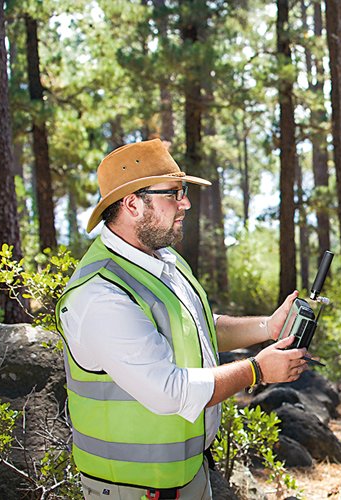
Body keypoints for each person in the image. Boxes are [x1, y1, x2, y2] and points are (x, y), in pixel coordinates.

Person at [56, 139, 308, 499]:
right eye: (174, 193)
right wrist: (257, 370)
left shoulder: (162, 260)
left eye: (183, 191)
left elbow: (198, 328)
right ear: (132, 204)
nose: (185, 202)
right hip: (132, 489)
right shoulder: (101, 296)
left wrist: (268, 327)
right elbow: (169, 391)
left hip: (187, 473)